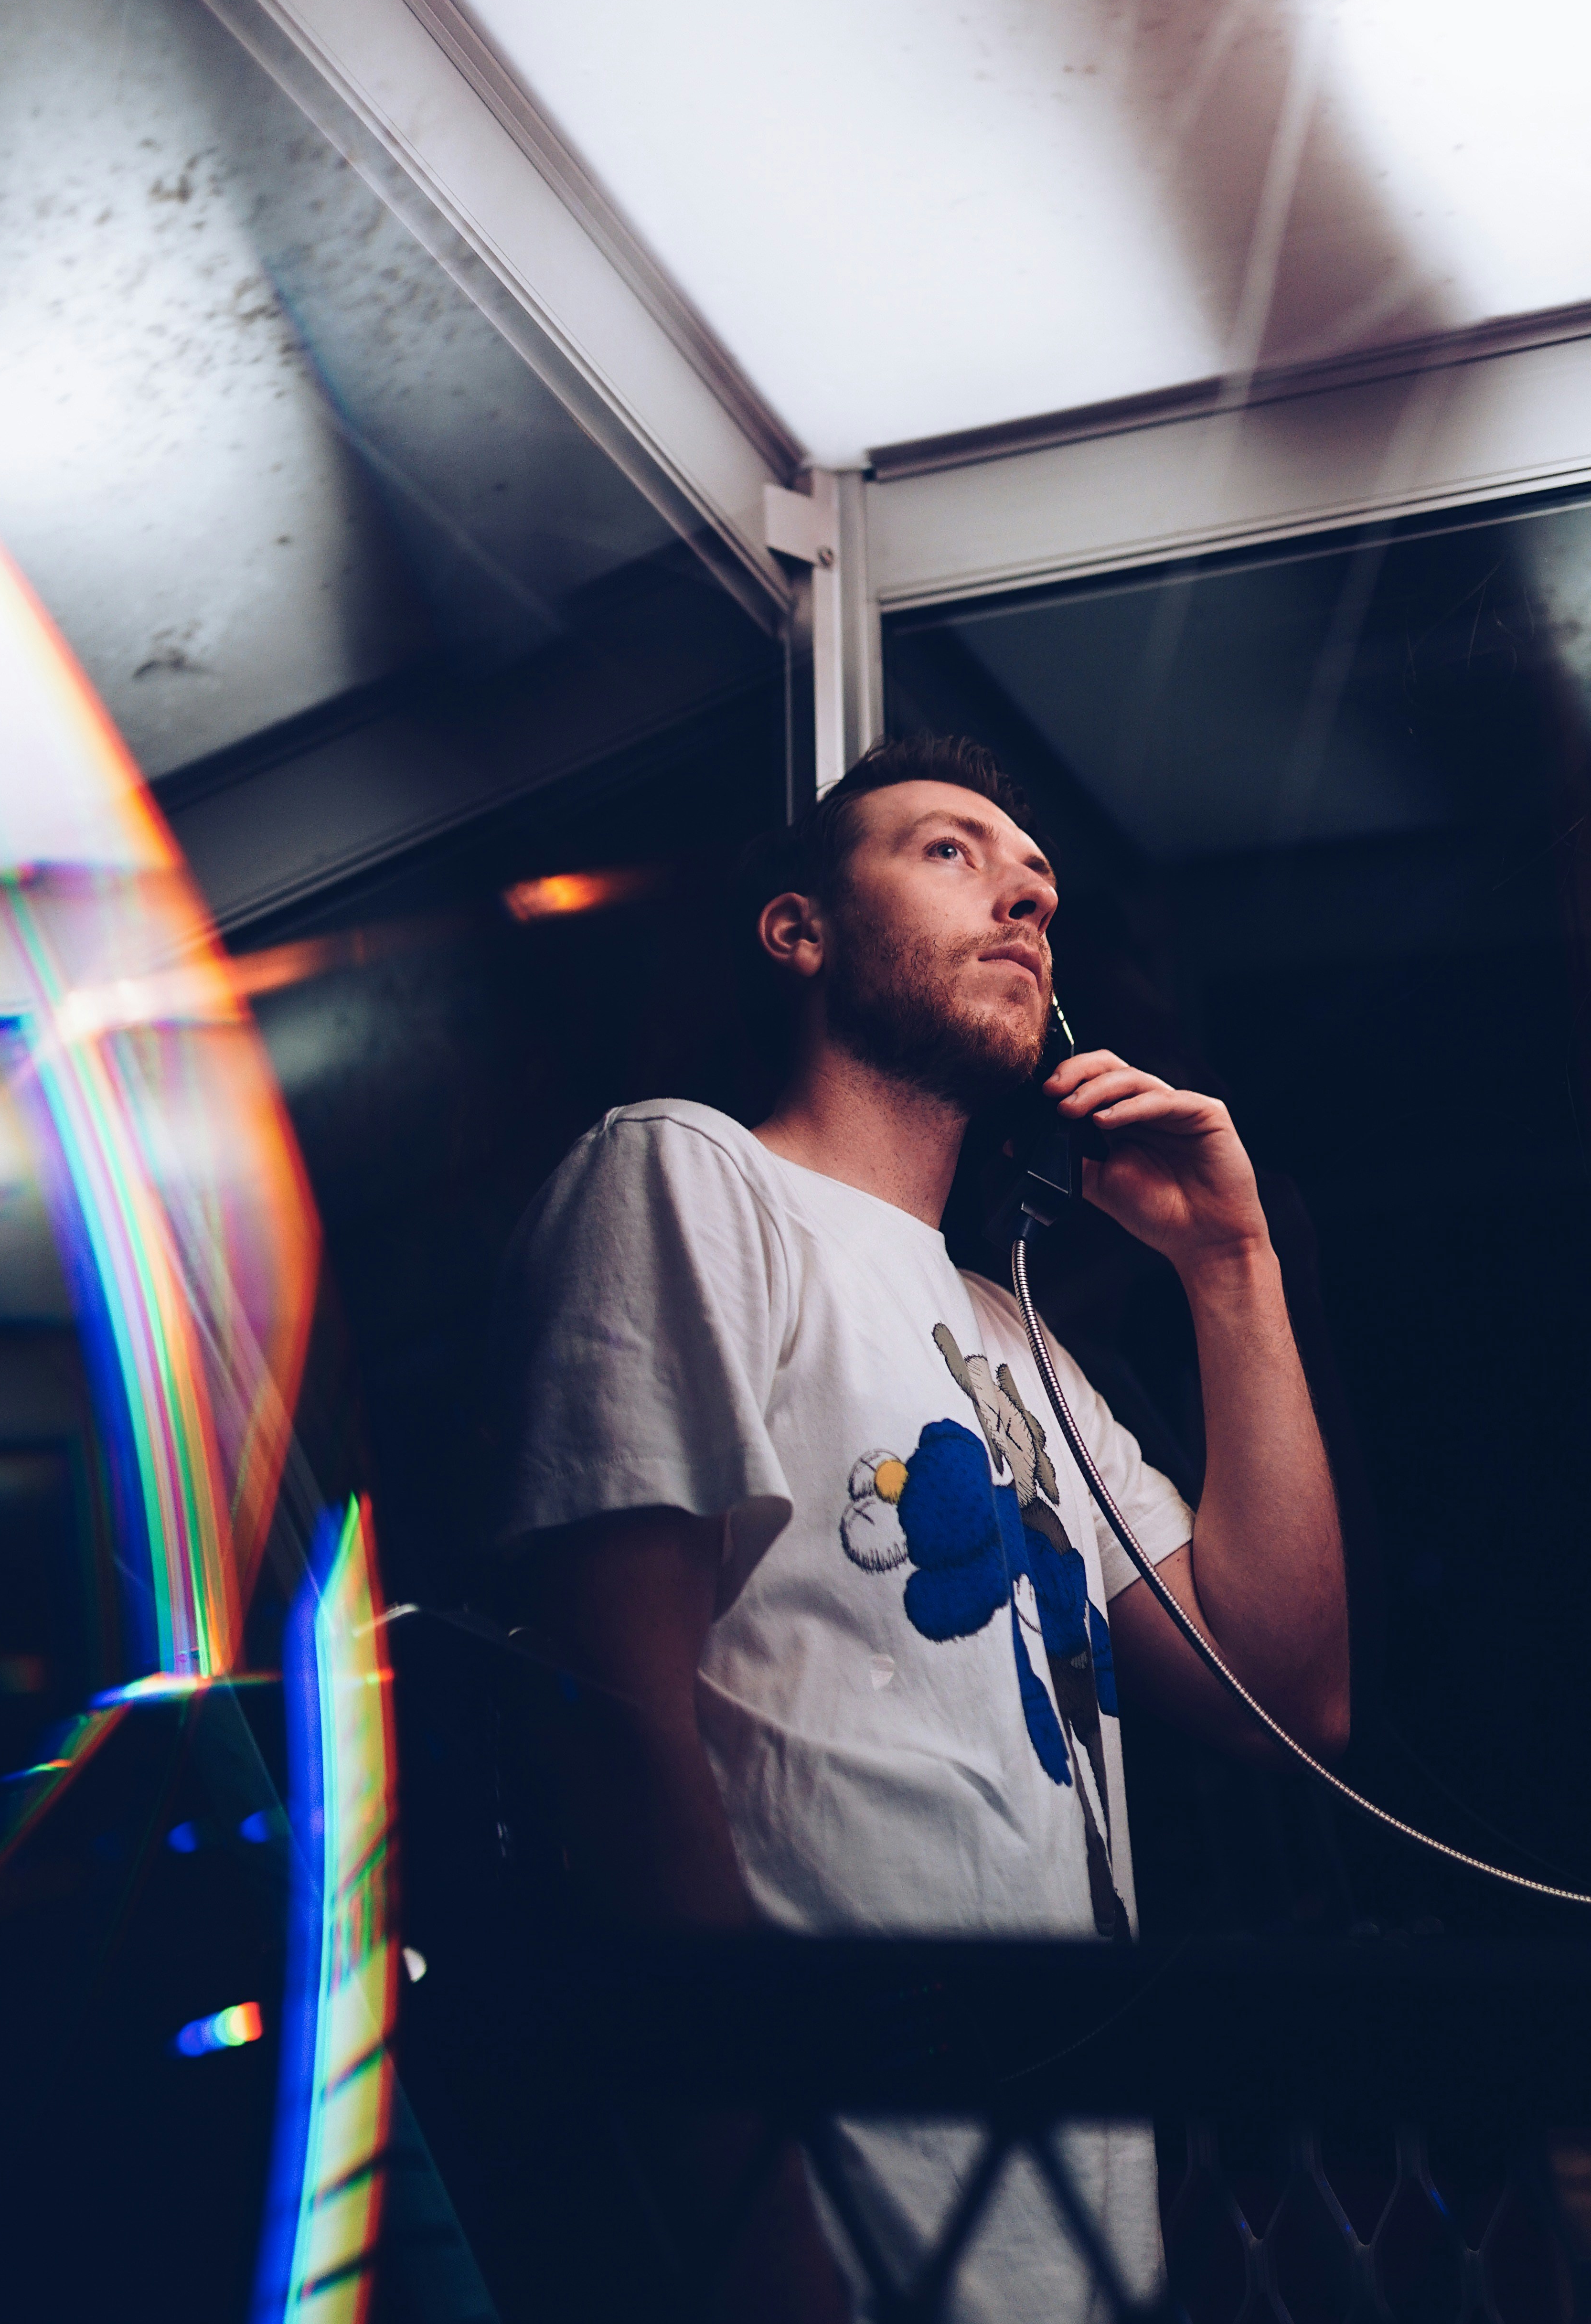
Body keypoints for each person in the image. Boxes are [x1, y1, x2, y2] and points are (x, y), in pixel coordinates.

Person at [490, 732, 1349, 2324]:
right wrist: (760, 2244)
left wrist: (1234, 1270)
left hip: (1075, 2242)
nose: (1023, 898)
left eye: (1038, 886)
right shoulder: (688, 1177)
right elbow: (610, 1729)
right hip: (836, 2228)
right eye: (952, 852)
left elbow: (1286, 1691)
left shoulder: (1013, 1338)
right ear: (799, 930)